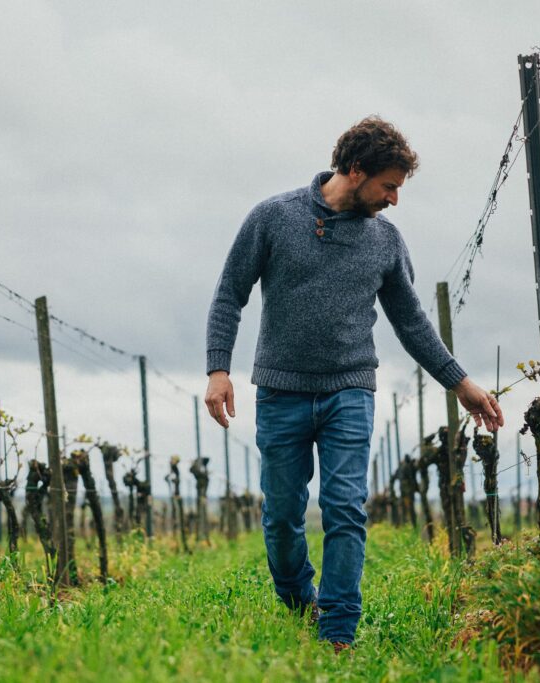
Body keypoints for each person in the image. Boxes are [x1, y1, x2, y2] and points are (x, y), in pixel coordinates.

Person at [203, 115, 503, 652]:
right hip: (281, 391)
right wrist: (218, 369)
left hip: (350, 392)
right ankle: (301, 600)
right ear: (355, 170)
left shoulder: (385, 241)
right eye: (388, 186)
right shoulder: (273, 218)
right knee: (281, 519)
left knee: (345, 507)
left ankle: (338, 630)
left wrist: (460, 384)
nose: (394, 199)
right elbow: (230, 293)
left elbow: (411, 323)